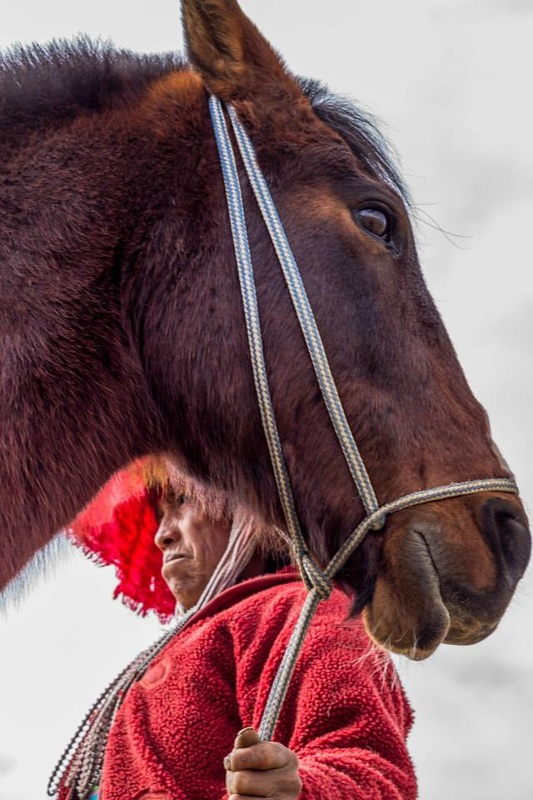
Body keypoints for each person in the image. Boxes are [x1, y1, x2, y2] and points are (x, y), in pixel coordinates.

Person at [53, 466, 417, 800]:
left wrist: (298, 790)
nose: (162, 535)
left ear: (248, 511)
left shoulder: (304, 610)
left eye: (182, 502)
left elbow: (370, 766)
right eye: (159, 517)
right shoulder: (170, 648)